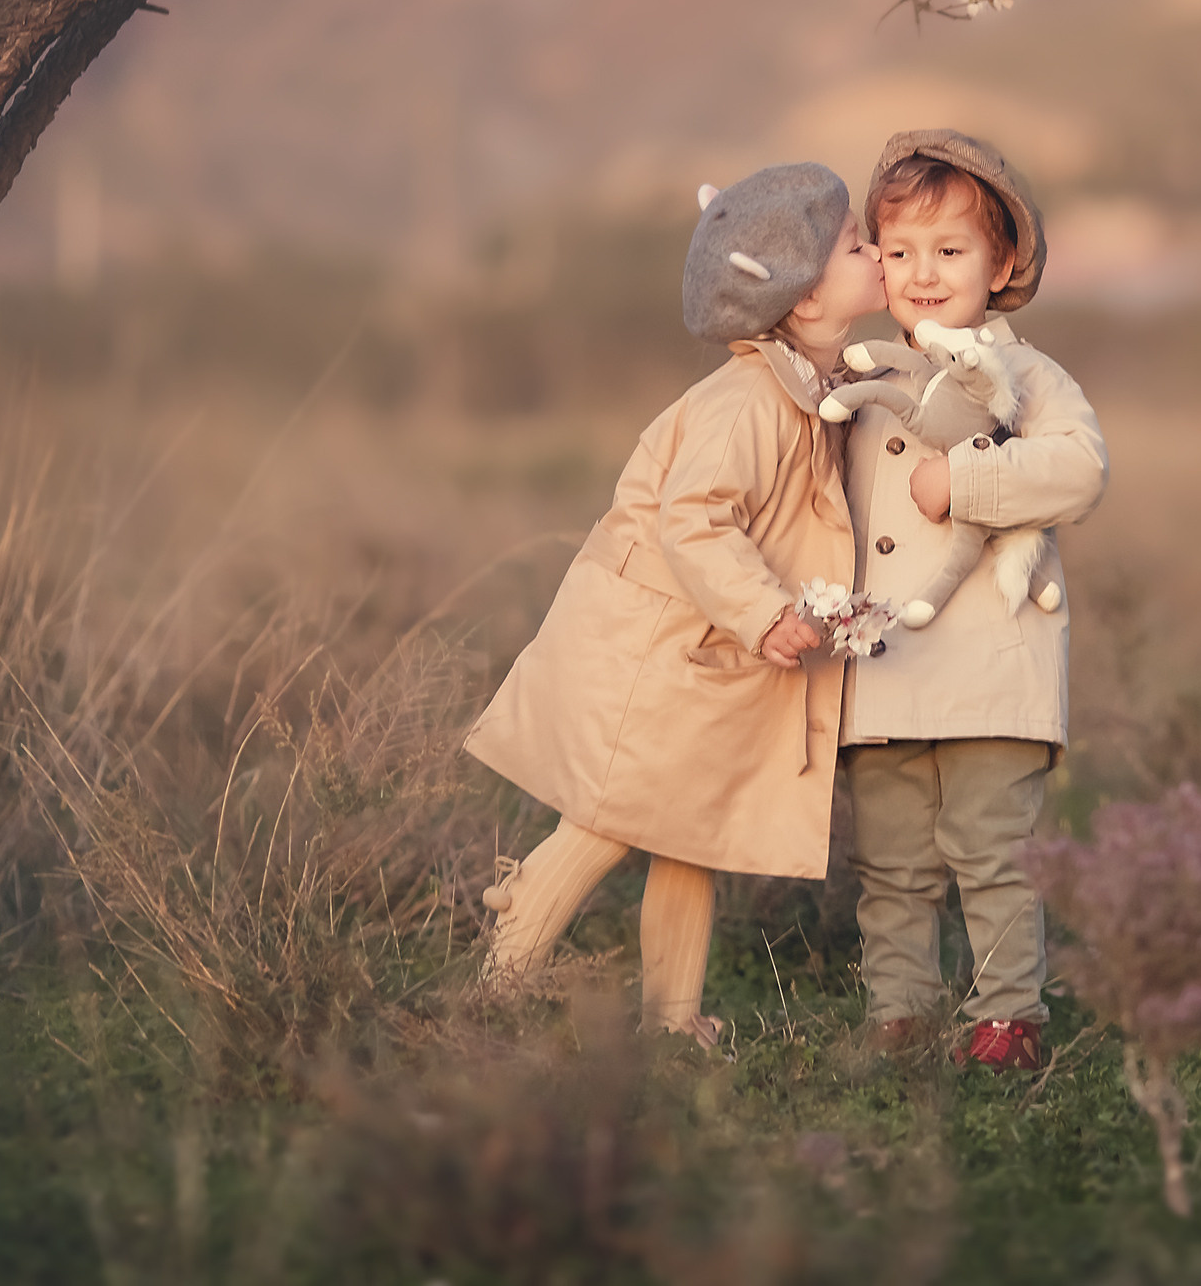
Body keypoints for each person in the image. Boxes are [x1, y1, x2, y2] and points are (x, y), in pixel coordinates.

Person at [463, 161, 888, 1041]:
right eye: (857, 244)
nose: (877, 251)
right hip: (666, 651)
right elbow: (692, 520)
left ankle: (671, 1020)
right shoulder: (749, 402)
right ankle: (508, 962)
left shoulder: (804, 393)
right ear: (804, 300)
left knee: (694, 834)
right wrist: (768, 611)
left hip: (707, 657)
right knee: (612, 816)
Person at [839, 129, 1109, 1071]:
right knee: (894, 865)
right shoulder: (861, 375)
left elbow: (1078, 469)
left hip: (994, 665)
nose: (923, 273)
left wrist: (966, 484)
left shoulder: (1023, 374)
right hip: (882, 669)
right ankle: (900, 1014)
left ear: (1001, 264)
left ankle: (1007, 1019)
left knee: (992, 853)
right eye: (900, 249)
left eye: (950, 250)